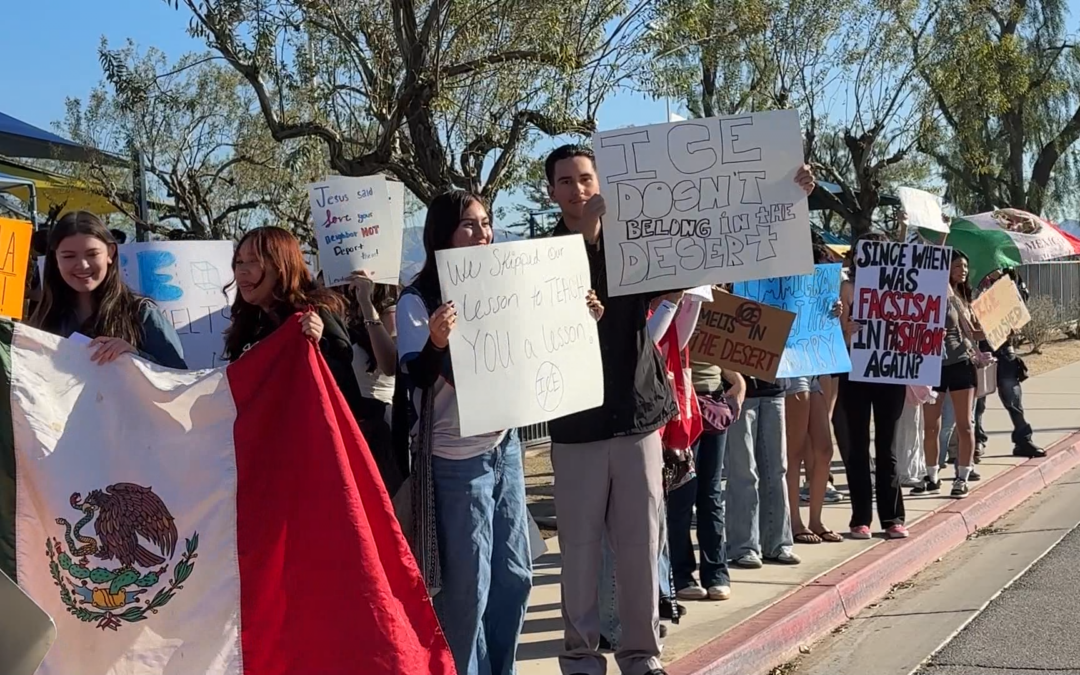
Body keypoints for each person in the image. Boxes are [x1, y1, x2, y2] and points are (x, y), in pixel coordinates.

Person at [543, 143, 815, 675]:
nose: (579, 190)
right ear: (552, 192)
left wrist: (786, 196)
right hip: (577, 424)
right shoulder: (541, 255)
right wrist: (590, 239)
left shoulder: (638, 243)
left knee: (642, 543)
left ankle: (641, 656)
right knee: (579, 548)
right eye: (566, 181)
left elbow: (716, 241)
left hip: (638, 416)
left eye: (586, 178)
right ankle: (579, 657)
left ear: (601, 182)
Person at [398, 191, 590, 675]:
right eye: (469, 225)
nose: (482, 233)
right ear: (442, 234)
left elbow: (541, 336)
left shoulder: (507, 282)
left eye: (486, 223)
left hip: (504, 448)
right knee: (468, 590)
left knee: (515, 575)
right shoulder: (417, 300)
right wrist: (437, 343)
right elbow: (414, 375)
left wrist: (580, 312)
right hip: (456, 459)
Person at [223, 227, 364, 422]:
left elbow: (344, 390)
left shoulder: (314, 314)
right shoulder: (247, 326)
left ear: (281, 266)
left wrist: (319, 346)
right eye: (239, 262)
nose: (242, 270)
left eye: (254, 261)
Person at [30, 211, 186, 369]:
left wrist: (135, 356)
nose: (83, 265)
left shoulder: (141, 313)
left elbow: (178, 376)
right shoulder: (45, 317)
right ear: (55, 258)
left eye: (92, 254)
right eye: (69, 256)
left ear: (110, 252)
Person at [671, 287, 745, 602]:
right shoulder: (672, 299)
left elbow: (724, 357)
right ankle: (681, 574)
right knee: (681, 494)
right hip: (680, 406)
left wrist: (738, 383)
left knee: (710, 494)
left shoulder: (719, 303)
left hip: (712, 406)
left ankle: (716, 572)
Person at [839, 232, 908, 538]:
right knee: (857, 447)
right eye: (862, 251)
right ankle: (860, 518)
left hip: (890, 373)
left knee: (887, 448)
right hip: (855, 372)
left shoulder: (902, 287)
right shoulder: (847, 288)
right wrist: (845, 328)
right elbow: (836, 332)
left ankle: (893, 518)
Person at [915, 250, 984, 499]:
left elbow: (974, 333)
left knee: (964, 425)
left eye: (965, 266)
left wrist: (1000, 328)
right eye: (957, 266)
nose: (962, 270)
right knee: (931, 426)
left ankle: (962, 477)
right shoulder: (932, 292)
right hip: (933, 366)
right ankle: (932, 476)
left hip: (960, 364)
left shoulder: (963, 297)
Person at [974, 269, 1045, 459]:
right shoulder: (971, 274)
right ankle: (976, 440)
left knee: (1012, 394)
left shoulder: (1009, 273)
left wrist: (1002, 279)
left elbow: (1022, 299)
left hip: (1003, 344)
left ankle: (1023, 439)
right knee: (978, 399)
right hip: (978, 346)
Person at [346, 270, 403, 492]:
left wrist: (366, 304)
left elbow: (389, 364)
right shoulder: (343, 311)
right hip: (350, 419)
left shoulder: (392, 310)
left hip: (379, 424)